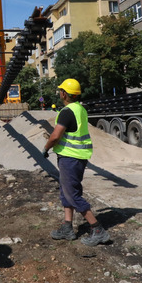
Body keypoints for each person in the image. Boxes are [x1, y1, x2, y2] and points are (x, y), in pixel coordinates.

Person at [42, 79, 111, 246]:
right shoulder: (80, 109)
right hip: (78, 157)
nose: (59, 93)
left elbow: (56, 136)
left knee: (72, 195)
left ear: (64, 93)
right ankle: (67, 227)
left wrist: (45, 148)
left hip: (70, 157)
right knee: (67, 192)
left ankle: (97, 229)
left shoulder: (67, 111)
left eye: (61, 91)